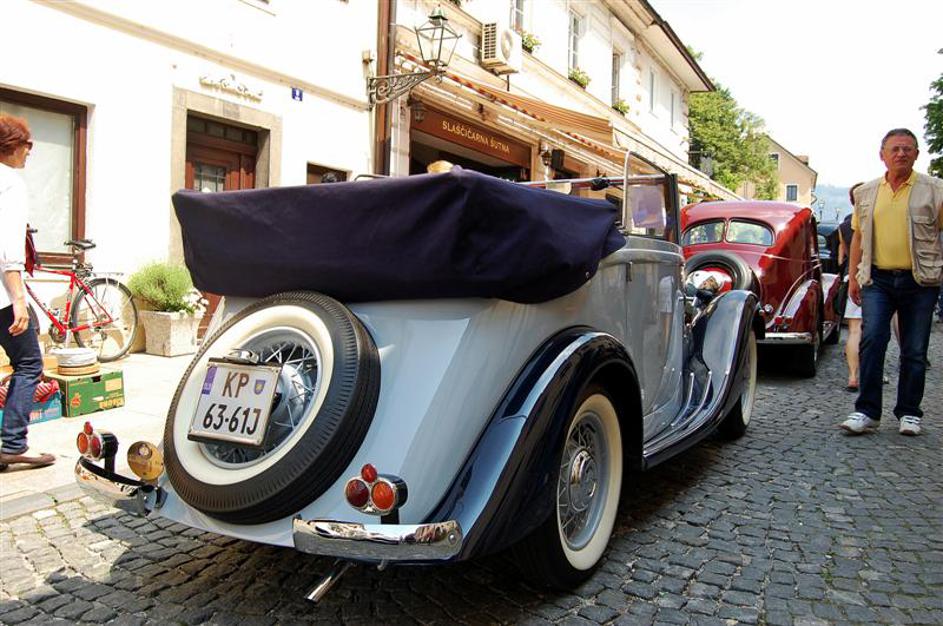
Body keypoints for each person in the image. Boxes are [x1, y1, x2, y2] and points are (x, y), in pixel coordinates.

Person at [840, 128, 943, 437]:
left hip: (920, 279)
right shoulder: (867, 192)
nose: (901, 153)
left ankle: (909, 412)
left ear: (916, 155)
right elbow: (858, 237)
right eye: (895, 149)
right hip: (878, 279)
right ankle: (867, 411)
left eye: (907, 149)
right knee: (872, 340)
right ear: (882, 155)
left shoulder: (935, 190)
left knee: (914, 348)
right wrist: (854, 277)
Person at [0, 114, 53, 470]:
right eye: (27, 144)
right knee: (30, 363)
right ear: (11, 146)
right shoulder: (9, 183)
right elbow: (7, 246)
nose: (29, 151)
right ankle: (13, 444)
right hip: (2, 296)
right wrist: (19, 300)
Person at [837, 185, 863, 391]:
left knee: (854, 330)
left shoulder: (844, 226)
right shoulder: (874, 219)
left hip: (851, 275)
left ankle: (853, 376)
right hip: (874, 277)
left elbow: (844, 255)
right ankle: (872, 372)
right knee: (875, 332)